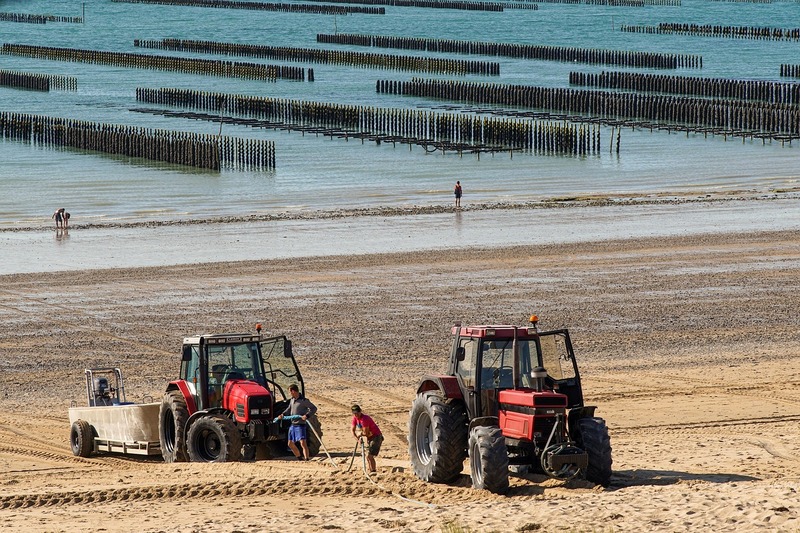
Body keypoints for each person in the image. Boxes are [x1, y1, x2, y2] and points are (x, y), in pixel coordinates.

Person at [278, 383, 317, 461]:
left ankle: (306, 458)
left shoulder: (304, 401)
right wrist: (283, 414)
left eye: (290, 391)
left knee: (303, 443)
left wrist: (307, 416)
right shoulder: (292, 400)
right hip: (293, 425)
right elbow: (289, 409)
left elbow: (313, 408)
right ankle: (299, 458)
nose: (290, 393)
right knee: (290, 444)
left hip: (300, 425)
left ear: (293, 391)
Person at [350, 404, 383, 473]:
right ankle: (371, 470)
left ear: (360, 411)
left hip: (376, 437)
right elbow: (352, 431)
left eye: (357, 413)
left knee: (369, 456)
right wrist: (358, 440)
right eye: (354, 413)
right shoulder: (355, 419)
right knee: (368, 456)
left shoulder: (365, 419)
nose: (356, 415)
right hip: (370, 438)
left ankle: (373, 471)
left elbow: (366, 433)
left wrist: (360, 434)